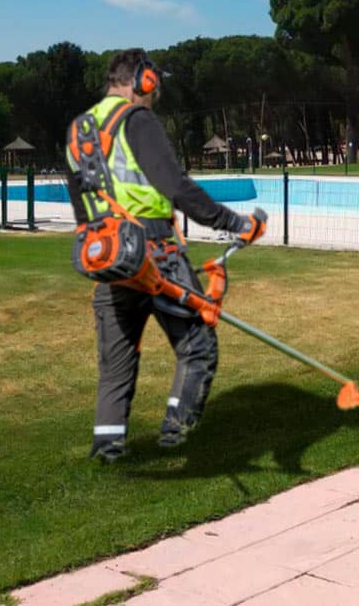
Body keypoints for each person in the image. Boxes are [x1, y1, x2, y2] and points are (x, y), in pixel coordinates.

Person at [65, 48, 267, 463]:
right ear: (144, 81)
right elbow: (175, 186)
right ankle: (178, 434)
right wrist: (236, 223)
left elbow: (82, 206)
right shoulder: (136, 121)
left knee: (116, 362)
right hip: (156, 251)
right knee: (197, 346)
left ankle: (107, 449)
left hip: (110, 255)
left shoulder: (79, 128)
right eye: (154, 87)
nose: (156, 96)